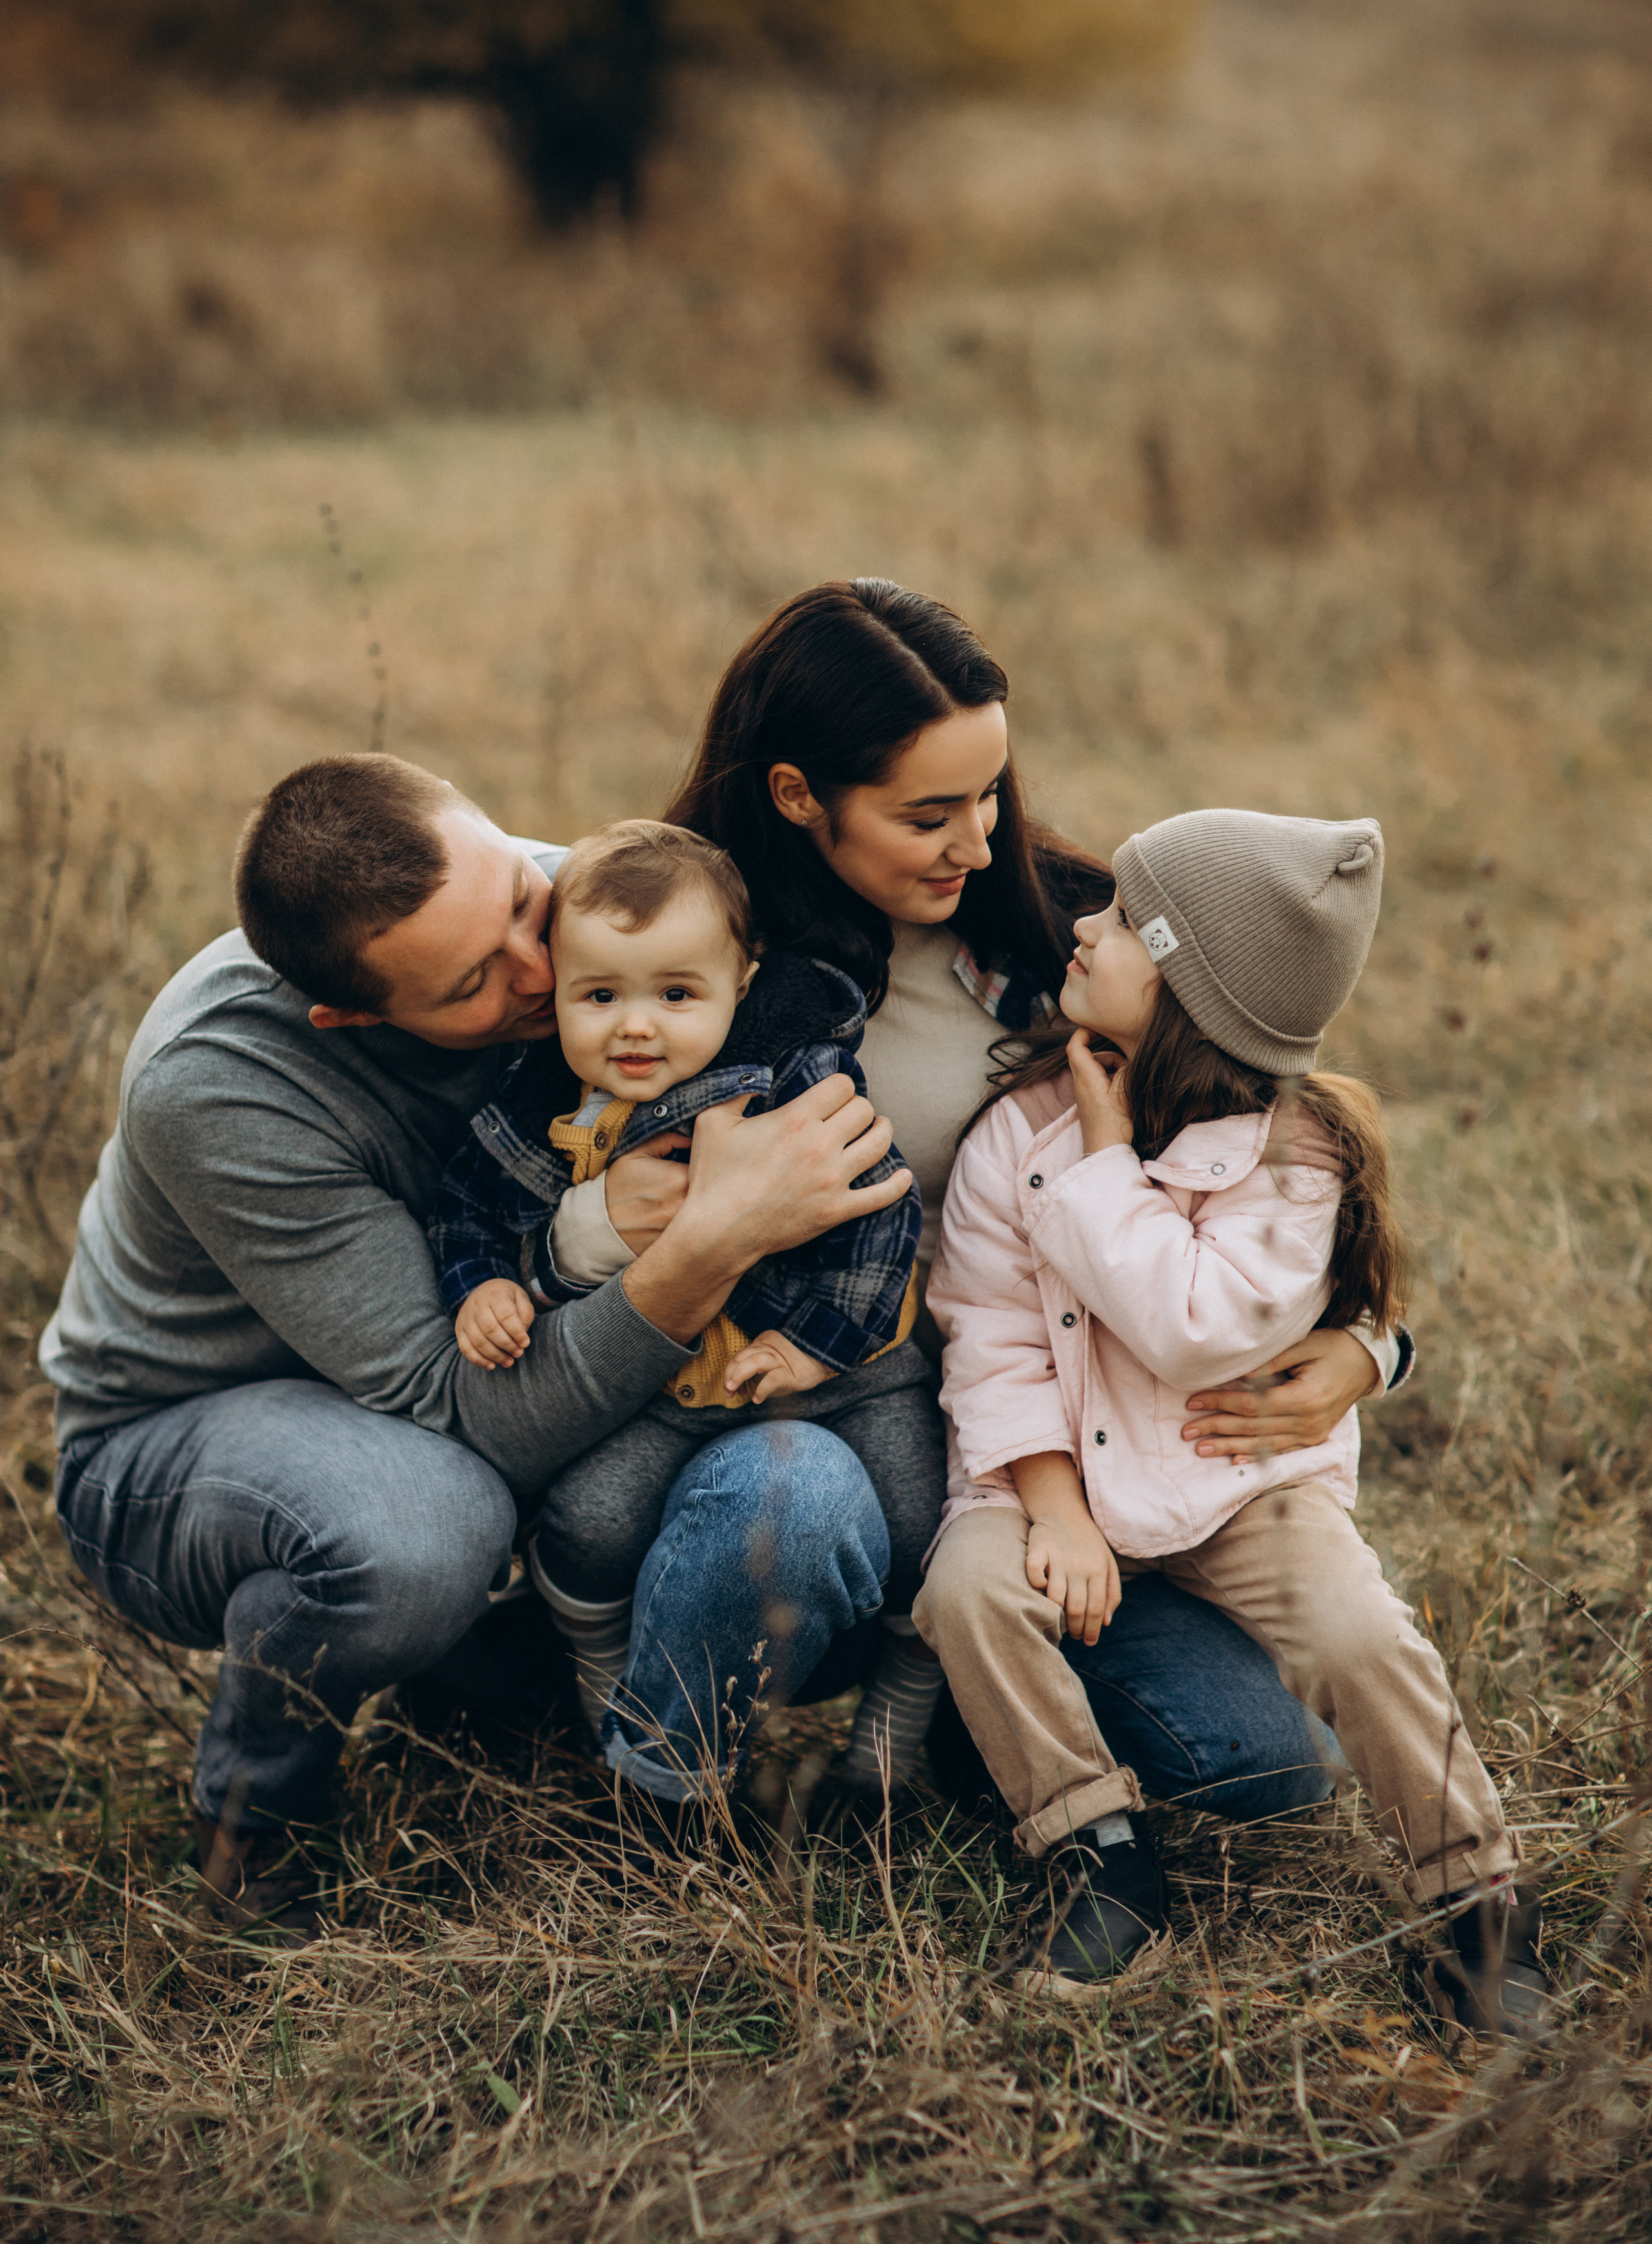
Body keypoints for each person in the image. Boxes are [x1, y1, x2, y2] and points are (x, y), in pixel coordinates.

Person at [576, 580, 1411, 1821]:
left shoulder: (1062, 935)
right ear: (799, 797)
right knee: (784, 1502)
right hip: (752, 1428)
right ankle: (646, 1757)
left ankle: (949, 1731)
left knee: (1266, 1770)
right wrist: (605, 1224)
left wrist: (1372, 1346)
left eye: (991, 794)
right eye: (929, 813)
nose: (976, 842)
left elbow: (1273, 1150)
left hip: (1016, 1448)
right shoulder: (686, 951)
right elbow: (544, 1143)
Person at [43, 753, 914, 1934]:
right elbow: (468, 1411)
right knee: (424, 1526)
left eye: (517, 897)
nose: (541, 969)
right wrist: (708, 1239)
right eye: (471, 983)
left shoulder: (582, 913)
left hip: (475, 1373)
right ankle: (255, 1819)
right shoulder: (221, 1087)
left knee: (739, 1483)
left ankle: (490, 1679)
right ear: (354, 1013)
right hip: (192, 1435)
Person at [915, 807, 1552, 2040]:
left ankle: (1476, 1901)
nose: (1082, 925)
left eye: (1117, 919)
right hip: (1056, 1478)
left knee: (1362, 1636)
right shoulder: (1018, 1131)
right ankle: (1097, 1850)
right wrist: (1050, 1508)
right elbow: (986, 1335)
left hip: (1239, 1483)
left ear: (1192, 986)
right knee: (968, 1593)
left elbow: (1191, 1326)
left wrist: (1108, 1164)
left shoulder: (1298, 1157)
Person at [426, 817, 933, 1774]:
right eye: (601, 994)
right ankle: (604, 1669)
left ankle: (904, 1710)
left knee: (920, 1519)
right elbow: (466, 1207)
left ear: (740, 983)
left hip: (844, 1367)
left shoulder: (794, 1071)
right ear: (557, 989)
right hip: (665, 1382)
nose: (635, 1025)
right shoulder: (547, 1099)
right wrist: (486, 1280)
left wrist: (816, 1346)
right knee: (588, 1522)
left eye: (675, 993)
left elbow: (880, 1217)